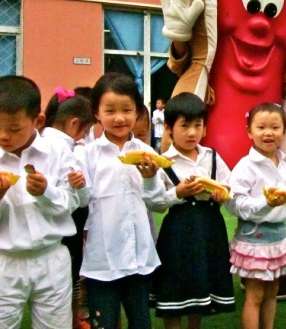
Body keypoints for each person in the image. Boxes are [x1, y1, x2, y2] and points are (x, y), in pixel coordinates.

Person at [78, 72, 169, 329]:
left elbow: (159, 204)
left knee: (140, 322)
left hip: (139, 257)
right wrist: (77, 186)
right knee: (104, 323)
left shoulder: (147, 153)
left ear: (138, 112)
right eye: (110, 111)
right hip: (102, 259)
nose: (119, 118)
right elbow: (81, 203)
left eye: (127, 110)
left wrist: (150, 179)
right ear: (96, 113)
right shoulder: (87, 155)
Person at [0, 76, 83, 328]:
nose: (4, 136)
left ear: (38, 121)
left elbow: (72, 202)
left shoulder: (57, 153)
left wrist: (46, 191)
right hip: (5, 261)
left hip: (51, 258)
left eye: (14, 129)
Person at [151, 92, 235, 328]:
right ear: (169, 128)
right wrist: (178, 193)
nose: (191, 132)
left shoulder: (212, 156)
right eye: (184, 126)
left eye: (197, 125)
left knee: (201, 284)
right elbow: (157, 204)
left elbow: (229, 187)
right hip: (177, 232)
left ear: (204, 128)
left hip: (210, 230)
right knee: (174, 286)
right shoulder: (164, 161)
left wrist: (222, 194)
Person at [227, 103, 286, 329]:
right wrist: (266, 203)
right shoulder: (245, 166)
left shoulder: (283, 165)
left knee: (272, 293)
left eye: (275, 127)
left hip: (278, 237)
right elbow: (235, 204)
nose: (268, 133)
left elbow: (285, 201)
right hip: (254, 238)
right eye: (261, 127)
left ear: (284, 131)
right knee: (255, 296)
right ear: (249, 132)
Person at [42, 86, 95, 329]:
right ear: (74, 124)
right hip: (66, 222)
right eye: (85, 130)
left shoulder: (42, 140)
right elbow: (81, 198)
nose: (84, 136)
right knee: (66, 276)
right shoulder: (65, 148)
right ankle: (73, 318)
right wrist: (80, 187)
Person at [133, 105, 159, 243]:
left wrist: (151, 177)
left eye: (140, 135)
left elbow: (160, 199)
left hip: (145, 217)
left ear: (149, 130)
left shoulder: (150, 154)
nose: (136, 141)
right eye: (130, 135)